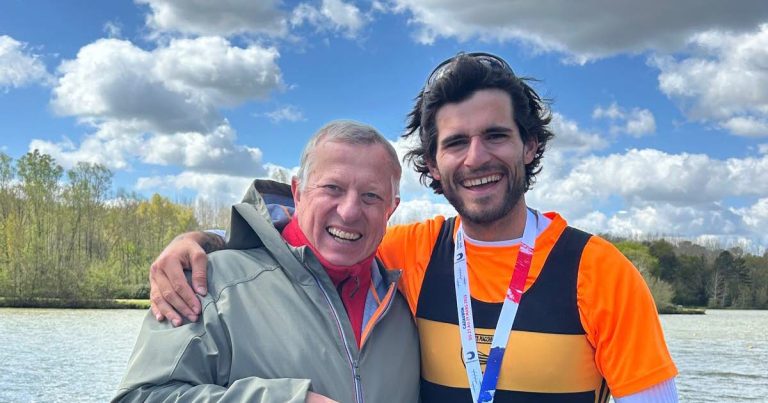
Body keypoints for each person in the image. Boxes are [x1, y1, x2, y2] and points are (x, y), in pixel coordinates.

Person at [148, 53, 679, 402]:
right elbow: (303, 243)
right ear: (434, 164)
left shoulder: (598, 271)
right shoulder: (410, 252)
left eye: (496, 136)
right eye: (455, 143)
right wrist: (201, 244)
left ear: (530, 146)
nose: (476, 158)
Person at [113, 121, 420, 402]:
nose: (349, 211)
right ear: (298, 193)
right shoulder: (208, 282)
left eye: (371, 196)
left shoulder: (407, 298)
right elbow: (140, 397)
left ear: (391, 209)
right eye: (332, 188)